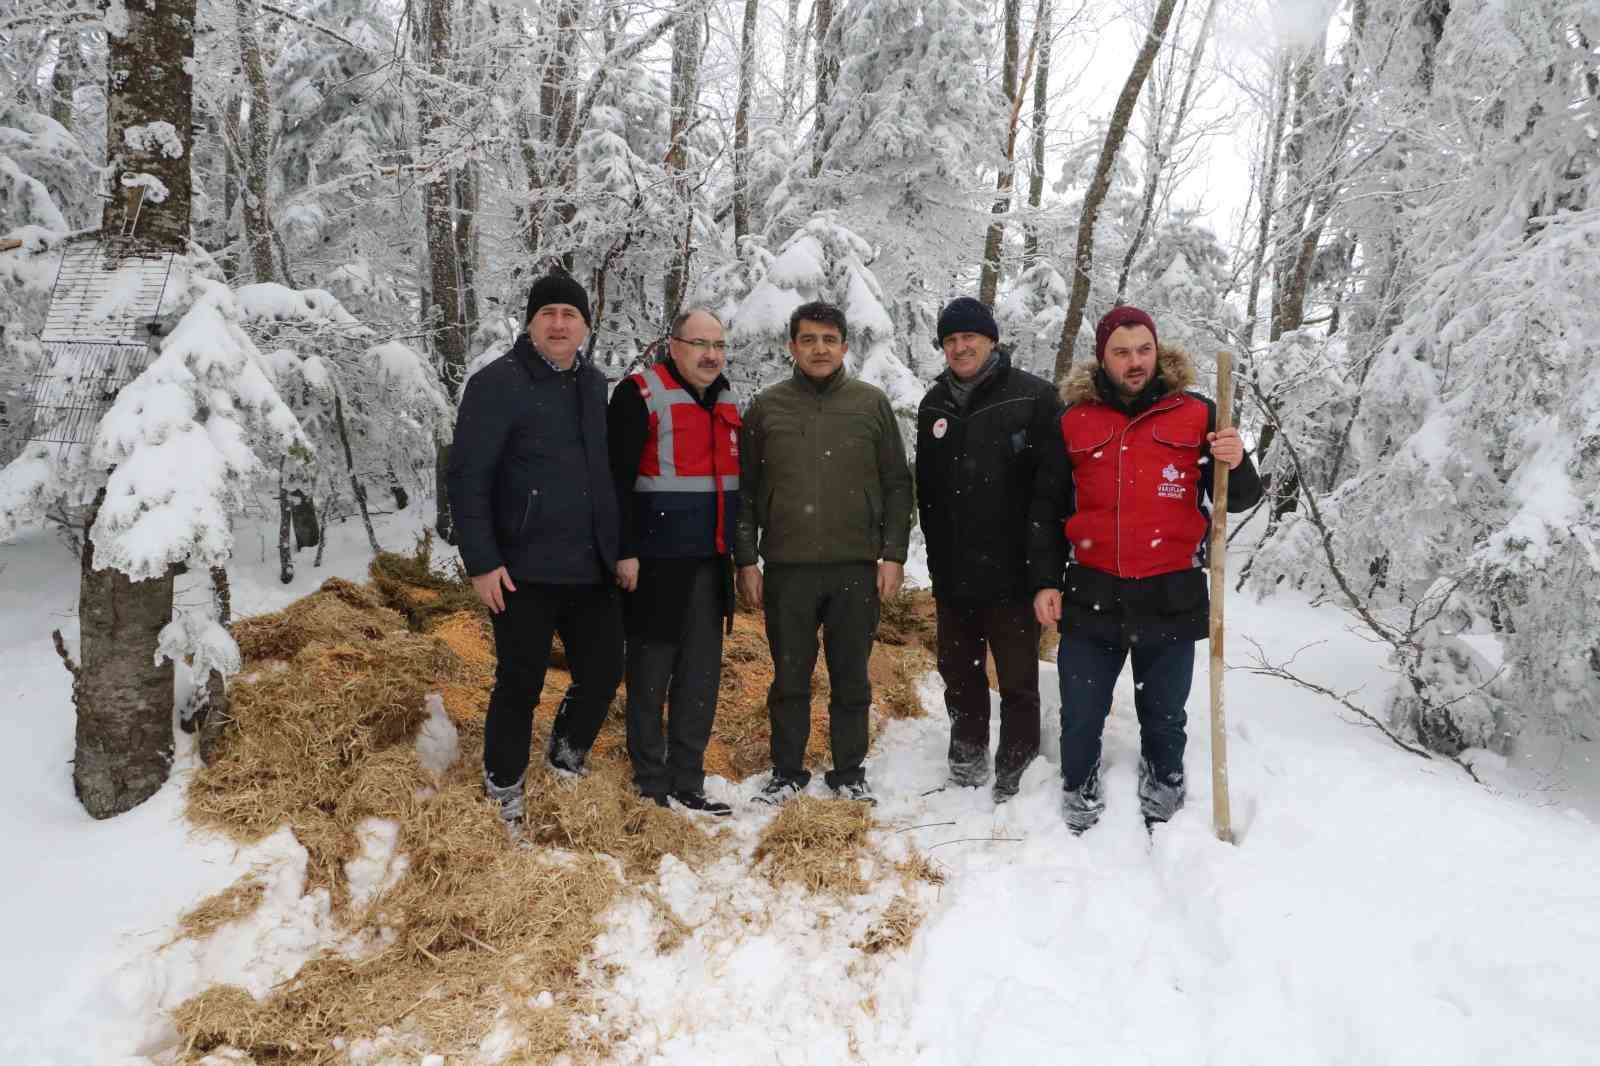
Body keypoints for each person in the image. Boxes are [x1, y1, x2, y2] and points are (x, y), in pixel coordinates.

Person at [1027, 305, 1262, 833]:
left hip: (1170, 591)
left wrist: (1236, 457)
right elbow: (1046, 508)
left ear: (1158, 352)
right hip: (1092, 590)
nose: (1134, 362)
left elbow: (1243, 497)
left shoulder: (1200, 414)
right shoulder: (1073, 421)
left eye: (1143, 350)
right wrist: (1045, 579)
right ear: (1102, 358)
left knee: (1164, 713)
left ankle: (1163, 778)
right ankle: (1079, 780)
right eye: (1121, 352)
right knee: (1081, 711)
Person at [447, 272, 625, 825]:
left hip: (589, 569)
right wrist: (481, 561)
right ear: (530, 323)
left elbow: (607, 478)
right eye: (547, 313)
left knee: (602, 672)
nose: (558, 323)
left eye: (569, 315)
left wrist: (619, 550)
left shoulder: (596, 387)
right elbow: (467, 478)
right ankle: (504, 788)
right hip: (519, 570)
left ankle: (566, 759)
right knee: (519, 683)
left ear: (584, 327)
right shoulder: (495, 384)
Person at [733, 301, 914, 806]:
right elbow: (745, 491)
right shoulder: (767, 407)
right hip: (788, 571)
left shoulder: (870, 404)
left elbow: (898, 485)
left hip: (855, 569)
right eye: (808, 339)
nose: (819, 349)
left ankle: (849, 772)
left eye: (829, 339)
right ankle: (787, 771)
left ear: (844, 346)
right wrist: (747, 558)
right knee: (789, 677)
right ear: (792, 346)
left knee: (851, 677)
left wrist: (892, 554)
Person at [916, 297, 1061, 802]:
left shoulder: (1034, 397)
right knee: (958, 671)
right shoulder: (933, 404)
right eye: (950, 340)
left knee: (1017, 676)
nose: (960, 347)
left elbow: (1051, 490)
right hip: (954, 571)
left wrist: (1043, 570)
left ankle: (1017, 759)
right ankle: (967, 748)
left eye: (969, 338)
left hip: (1013, 570)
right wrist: (937, 563)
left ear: (991, 340)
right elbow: (927, 492)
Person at [607, 308, 740, 816]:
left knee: (700, 676)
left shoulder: (727, 399)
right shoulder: (639, 394)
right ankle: (650, 782)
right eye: (699, 343)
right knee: (650, 674)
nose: (710, 355)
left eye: (719, 345)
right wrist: (624, 550)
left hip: (710, 564)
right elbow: (614, 481)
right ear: (673, 345)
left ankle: (689, 778)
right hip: (654, 565)